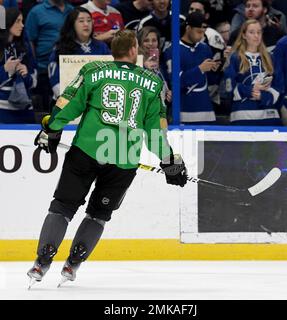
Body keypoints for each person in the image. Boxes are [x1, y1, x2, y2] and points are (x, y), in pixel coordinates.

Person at [27, 29, 187, 287]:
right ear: (134, 51)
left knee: (62, 207)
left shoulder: (93, 71)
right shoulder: (153, 82)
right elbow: (156, 131)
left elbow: (67, 104)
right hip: (123, 160)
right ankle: (72, 264)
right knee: (98, 215)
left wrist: (51, 129)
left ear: (114, 50)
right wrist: (170, 161)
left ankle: (42, 261)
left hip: (86, 150)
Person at [165, 11, 221, 125]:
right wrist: (200, 69)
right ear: (188, 28)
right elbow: (176, 82)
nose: (201, 36)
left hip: (207, 113)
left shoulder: (205, 48)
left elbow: (210, 81)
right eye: (198, 32)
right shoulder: (172, 50)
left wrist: (219, 68)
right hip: (183, 113)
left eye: (203, 32)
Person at [223, 19, 281, 125]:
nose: (256, 36)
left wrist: (264, 97)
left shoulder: (270, 58)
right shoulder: (235, 58)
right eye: (252, 32)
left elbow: (279, 86)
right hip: (243, 116)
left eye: (259, 32)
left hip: (268, 116)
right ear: (244, 35)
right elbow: (229, 88)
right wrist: (250, 90)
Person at [48, 7, 111, 101]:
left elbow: (111, 73)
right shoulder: (60, 48)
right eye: (81, 21)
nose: (86, 24)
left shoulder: (102, 47)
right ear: (72, 25)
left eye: (89, 21)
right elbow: (55, 80)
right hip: (67, 102)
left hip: (98, 101)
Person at [25, 0, 73, 121]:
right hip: (43, 69)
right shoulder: (37, 12)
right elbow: (29, 40)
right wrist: (35, 63)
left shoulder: (72, 10)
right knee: (46, 115)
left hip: (70, 67)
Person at [0, 8, 36, 123]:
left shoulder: (25, 47)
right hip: (2, 112)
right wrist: (5, 70)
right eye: (18, 21)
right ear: (7, 22)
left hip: (25, 110)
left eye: (22, 21)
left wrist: (26, 75)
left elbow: (34, 82)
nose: (22, 25)